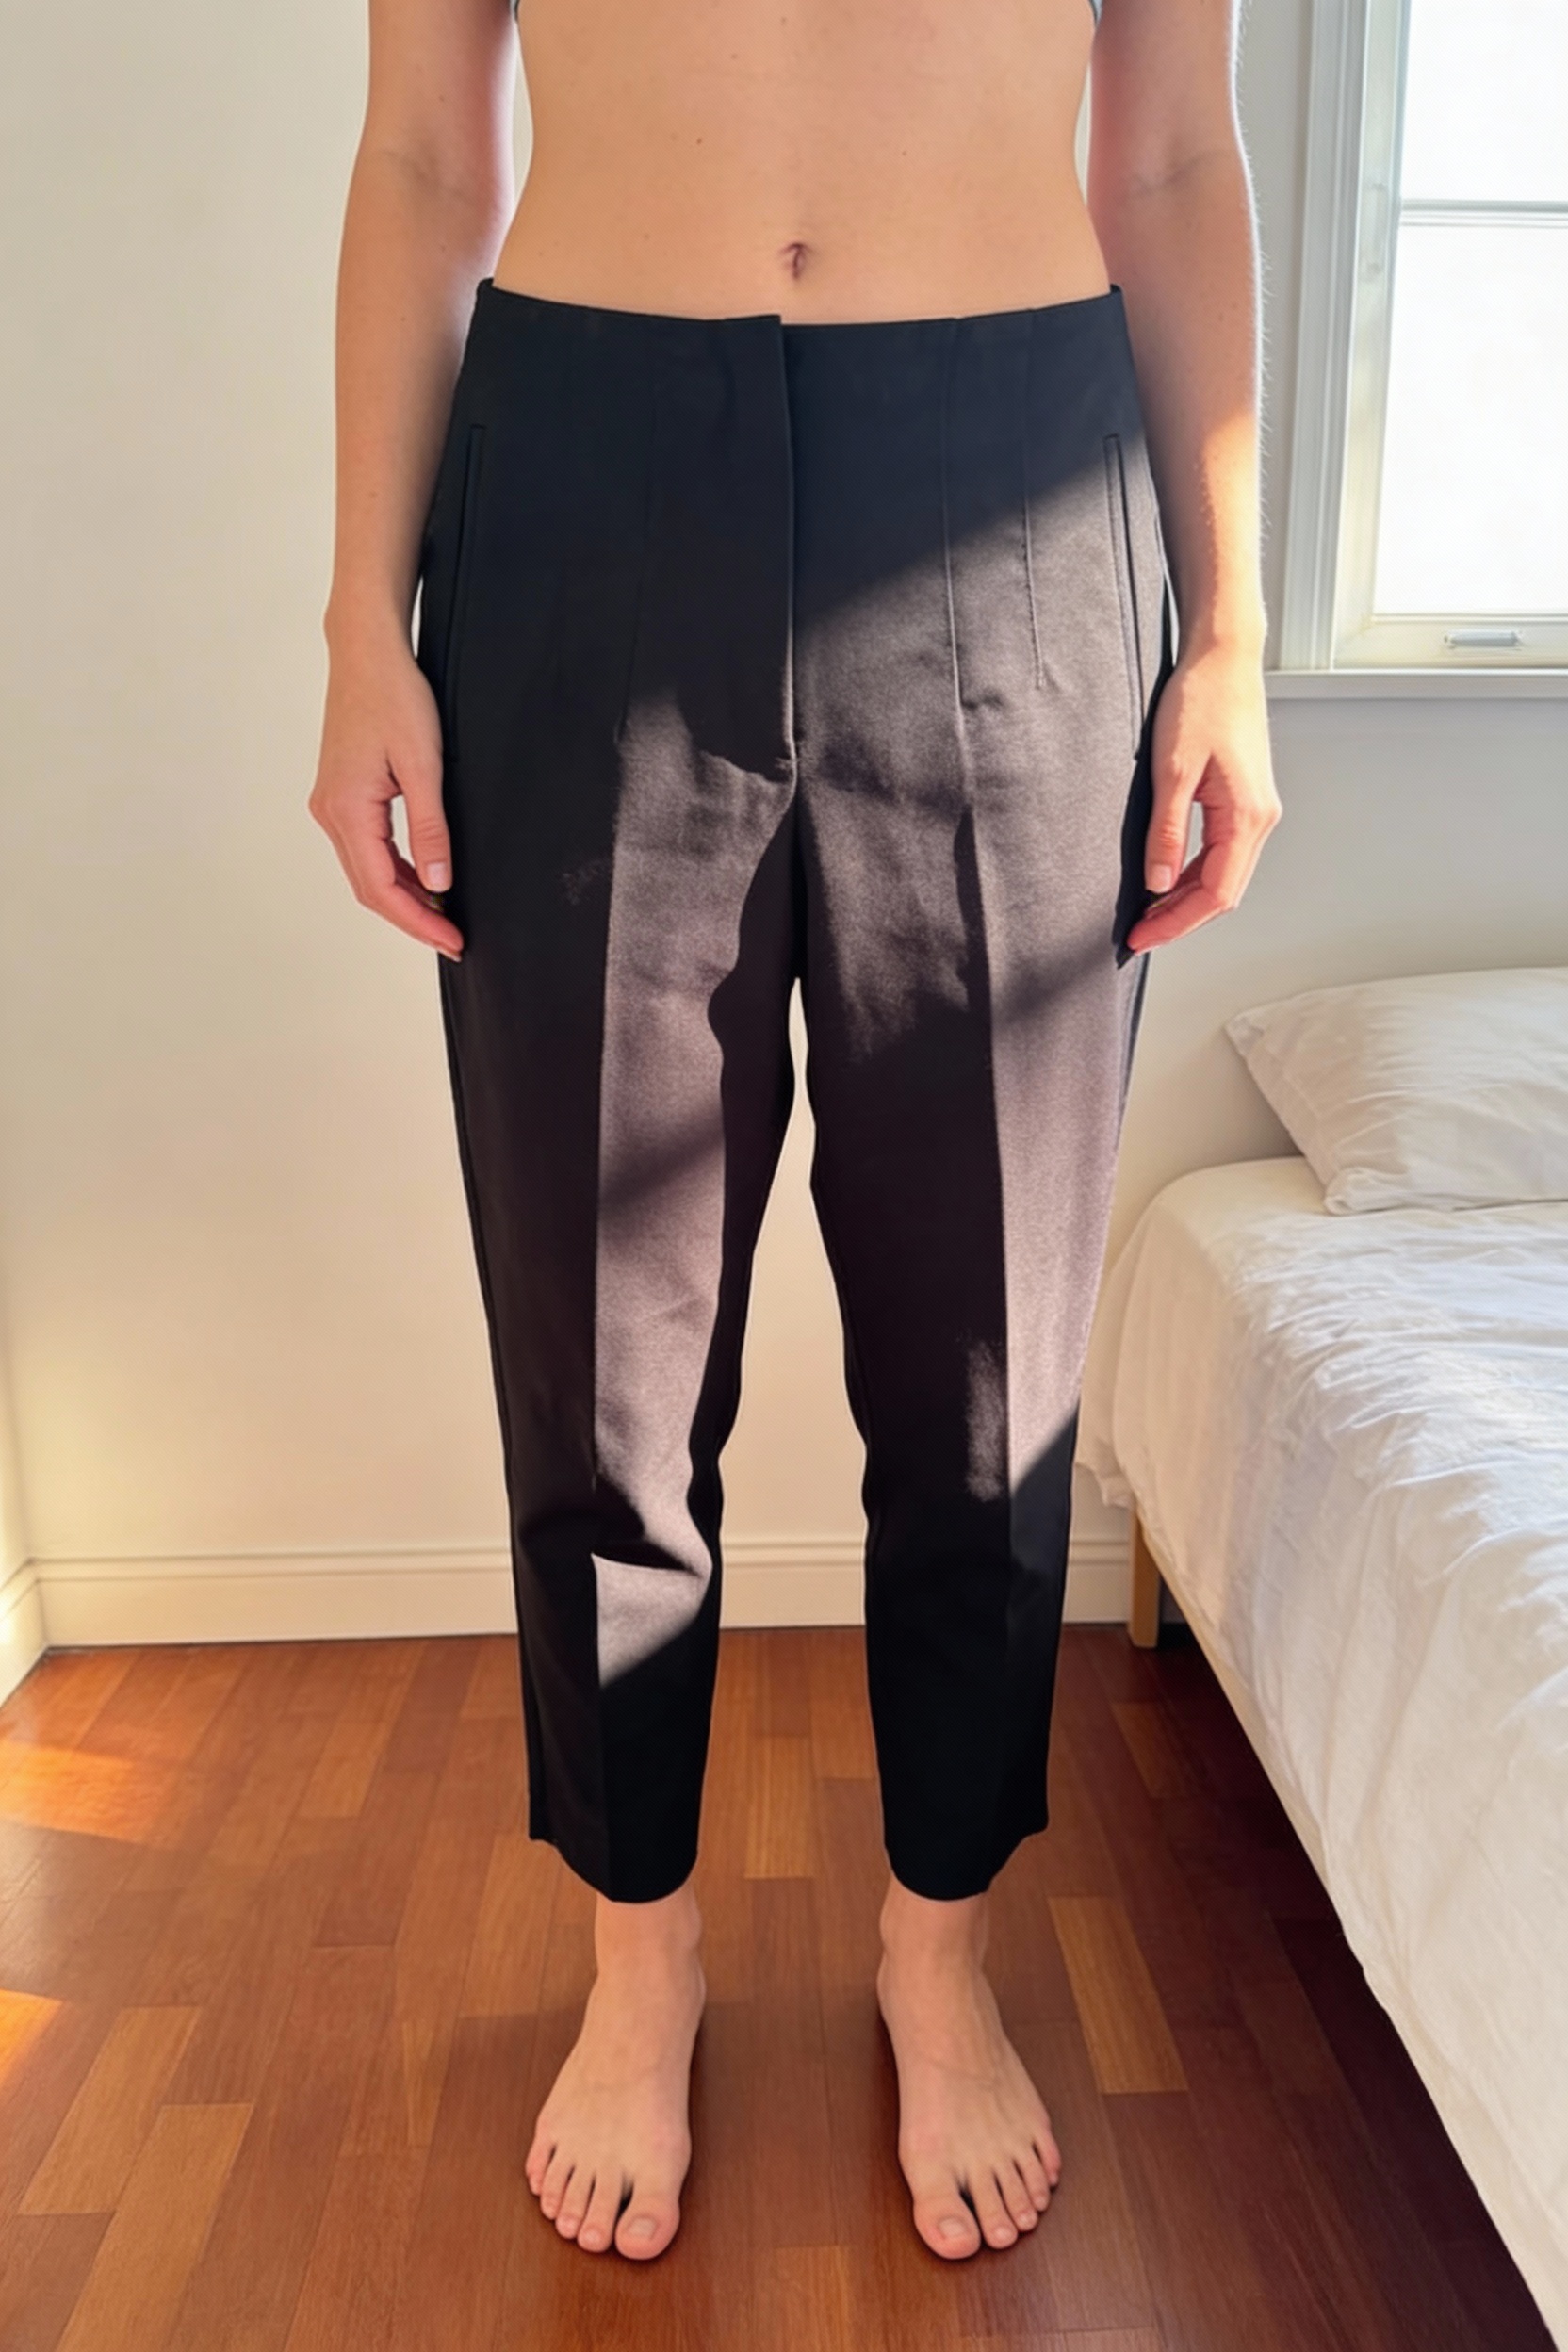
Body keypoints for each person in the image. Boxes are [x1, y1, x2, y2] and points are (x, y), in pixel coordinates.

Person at [310, 0, 1281, 2270]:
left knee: (986, 1354)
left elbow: (1169, 156)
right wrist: (362, 620)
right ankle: (636, 1953)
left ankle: (936, 1949)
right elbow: (428, 154)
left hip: (1015, 479)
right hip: (580, 484)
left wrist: (1230, 627)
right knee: (600, 1344)